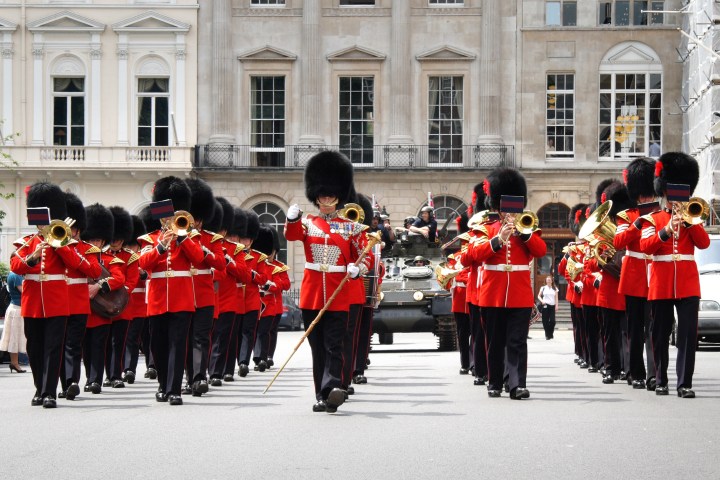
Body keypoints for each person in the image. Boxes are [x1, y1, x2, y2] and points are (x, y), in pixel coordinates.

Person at [285, 150, 369, 413]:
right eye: (322, 194)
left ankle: (333, 387)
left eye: (331, 194)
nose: (327, 198)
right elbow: (292, 235)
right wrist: (291, 218)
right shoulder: (308, 224)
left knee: (334, 345)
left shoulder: (352, 227)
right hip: (312, 294)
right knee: (318, 348)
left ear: (338, 195)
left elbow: (365, 257)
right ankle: (321, 395)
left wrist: (358, 269)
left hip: (339, 294)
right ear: (316, 195)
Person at [463, 168, 546, 399]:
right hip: (493, 292)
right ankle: (495, 381)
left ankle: (517, 384)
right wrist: (498, 239)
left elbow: (541, 250)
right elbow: (471, 255)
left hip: (519, 293)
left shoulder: (526, 227)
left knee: (517, 341)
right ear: (497, 204)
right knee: (495, 340)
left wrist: (524, 234)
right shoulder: (486, 228)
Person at [11, 181, 92, 408]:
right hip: (33, 302)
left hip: (57, 302)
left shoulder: (64, 243)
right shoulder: (26, 243)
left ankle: (50, 393)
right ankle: (39, 389)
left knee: (53, 348)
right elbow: (16, 266)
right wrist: (33, 257)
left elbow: (78, 263)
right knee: (34, 348)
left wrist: (60, 245)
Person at [639, 152, 709, 398]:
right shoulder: (653, 219)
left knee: (688, 334)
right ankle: (660, 379)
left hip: (688, 283)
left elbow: (704, 244)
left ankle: (684, 383)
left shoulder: (693, 217)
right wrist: (667, 230)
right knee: (660, 333)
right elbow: (646, 246)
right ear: (665, 192)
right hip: (661, 282)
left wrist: (690, 222)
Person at [138, 176, 204, 406]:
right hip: (157, 299)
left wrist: (182, 239)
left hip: (182, 299)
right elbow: (143, 263)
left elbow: (199, 258)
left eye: (172, 215)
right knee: (158, 345)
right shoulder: (150, 238)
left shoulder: (189, 236)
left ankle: (174, 389)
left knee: (178, 344)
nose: (169, 220)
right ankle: (163, 385)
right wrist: (161, 246)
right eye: (166, 215)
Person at [614, 157, 658, 390]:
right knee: (634, 329)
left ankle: (654, 374)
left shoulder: (661, 214)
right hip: (633, 278)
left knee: (654, 330)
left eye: (650, 194)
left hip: (655, 277)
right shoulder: (627, 216)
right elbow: (619, 240)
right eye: (644, 194)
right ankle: (636, 372)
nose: (647, 198)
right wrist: (638, 223)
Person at [183, 178, 225, 397]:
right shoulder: (177, 237)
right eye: (193, 218)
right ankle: (187, 377)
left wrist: (204, 251)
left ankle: (199, 378)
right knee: (185, 339)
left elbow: (220, 264)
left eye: (198, 219)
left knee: (200, 338)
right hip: (183, 295)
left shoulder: (212, 239)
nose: (196, 222)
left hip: (204, 295)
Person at [58, 192, 102, 400]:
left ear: (78, 230)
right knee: (57, 345)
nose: (71, 232)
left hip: (77, 302)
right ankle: (58, 383)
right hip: (56, 301)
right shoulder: (52, 247)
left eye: (73, 229)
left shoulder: (88, 249)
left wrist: (71, 251)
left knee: (73, 345)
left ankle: (71, 382)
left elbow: (93, 272)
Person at [82, 204, 126, 395]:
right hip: (83, 308)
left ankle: (95, 380)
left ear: (103, 241)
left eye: (97, 240)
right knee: (85, 348)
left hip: (100, 311)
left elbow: (119, 279)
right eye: (91, 239)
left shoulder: (109, 260)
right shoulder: (79, 256)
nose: (94, 242)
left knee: (99, 347)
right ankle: (88, 377)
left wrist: (99, 285)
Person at [104, 206, 138, 389]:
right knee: (105, 342)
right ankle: (107, 374)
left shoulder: (130, 257)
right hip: (102, 304)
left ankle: (116, 374)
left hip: (121, 305)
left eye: (118, 239)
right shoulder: (101, 255)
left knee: (119, 342)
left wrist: (116, 296)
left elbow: (131, 281)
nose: (115, 241)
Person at [122, 215, 149, 385]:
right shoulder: (121, 256)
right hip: (125, 302)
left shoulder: (143, 254)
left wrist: (142, 273)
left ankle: (152, 365)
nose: (131, 248)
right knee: (130, 337)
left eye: (133, 245)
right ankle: (129, 369)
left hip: (143, 301)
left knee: (148, 337)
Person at [0, 272, 26, 373]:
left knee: (14, 337)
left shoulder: (12, 275)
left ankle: (14, 363)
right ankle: (15, 363)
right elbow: (24, 291)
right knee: (15, 337)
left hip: (15, 308)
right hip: (17, 309)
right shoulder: (16, 275)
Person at [537, 276, 559, 340]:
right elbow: (539, 296)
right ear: (546, 281)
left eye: (550, 280)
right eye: (547, 280)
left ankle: (551, 333)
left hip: (552, 306)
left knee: (552, 321)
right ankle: (547, 335)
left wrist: (557, 305)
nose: (549, 281)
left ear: (552, 281)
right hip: (545, 305)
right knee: (545, 321)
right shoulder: (543, 288)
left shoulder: (555, 288)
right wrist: (542, 301)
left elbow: (556, 298)